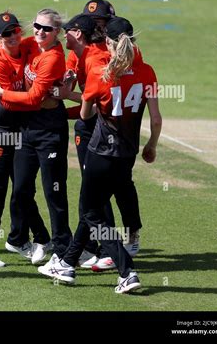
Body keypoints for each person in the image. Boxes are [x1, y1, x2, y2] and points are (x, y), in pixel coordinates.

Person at [38, 16, 162, 293]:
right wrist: (151, 145)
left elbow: (85, 113)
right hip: (127, 154)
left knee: (91, 213)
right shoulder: (147, 71)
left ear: (108, 41)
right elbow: (155, 119)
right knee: (92, 208)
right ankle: (67, 264)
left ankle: (126, 271)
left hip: (100, 152)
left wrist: (70, 96)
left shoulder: (101, 72)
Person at [62, 0, 143, 271]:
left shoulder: (112, 55)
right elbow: (73, 85)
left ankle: (114, 249)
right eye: (92, 20)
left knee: (103, 194)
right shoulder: (80, 51)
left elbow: (93, 101)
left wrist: (71, 101)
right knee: (96, 195)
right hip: (93, 130)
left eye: (101, 22)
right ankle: (88, 251)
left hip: (109, 130)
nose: (97, 25)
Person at [0, 8, 72, 266]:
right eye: (37, 26)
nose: (40, 31)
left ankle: (62, 251)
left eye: (46, 28)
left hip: (50, 131)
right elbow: (3, 46)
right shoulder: (30, 44)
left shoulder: (54, 57)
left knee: (53, 191)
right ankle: (23, 239)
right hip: (27, 128)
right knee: (22, 188)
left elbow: (35, 98)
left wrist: (1, 92)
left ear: (57, 32)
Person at [0, 12, 50, 267]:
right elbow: (7, 104)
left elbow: (44, 43)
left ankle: (22, 239)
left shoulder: (26, 46)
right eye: (6, 34)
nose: (12, 37)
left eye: (15, 31)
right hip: (0, 130)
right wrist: (37, 100)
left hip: (21, 130)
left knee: (23, 188)